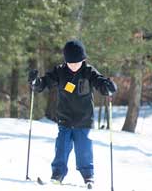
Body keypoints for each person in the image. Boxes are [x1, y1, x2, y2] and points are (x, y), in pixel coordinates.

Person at [28, 40, 117, 187]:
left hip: (84, 119)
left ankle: (88, 176)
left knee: (84, 148)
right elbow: (46, 82)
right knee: (62, 146)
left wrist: (107, 87)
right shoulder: (60, 71)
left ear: (83, 60)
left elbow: (99, 82)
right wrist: (36, 83)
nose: (74, 66)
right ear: (66, 61)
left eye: (77, 62)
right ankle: (57, 174)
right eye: (71, 63)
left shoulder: (89, 71)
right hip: (65, 117)